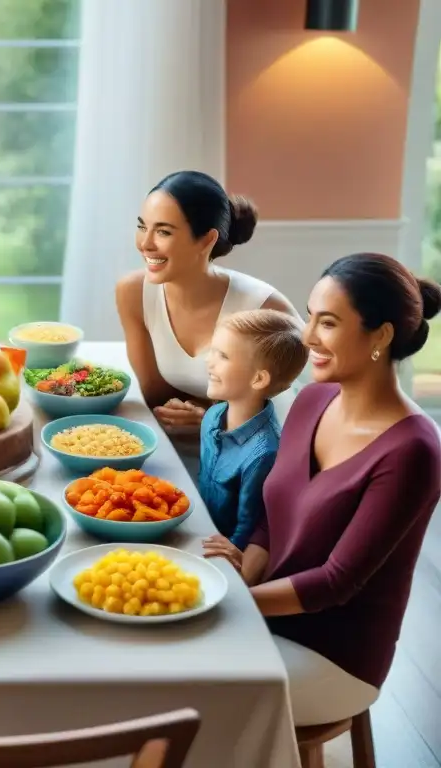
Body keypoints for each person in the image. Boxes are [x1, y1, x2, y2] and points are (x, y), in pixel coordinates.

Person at [203, 253, 441, 726]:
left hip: (335, 656)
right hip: (267, 615)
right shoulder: (313, 400)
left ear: (382, 336)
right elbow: (271, 518)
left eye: (327, 322)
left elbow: (337, 581)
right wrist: (243, 574)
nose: (307, 335)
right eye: (310, 317)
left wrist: (230, 598)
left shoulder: (413, 450)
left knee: (180, 683)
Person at [115, 170, 301, 474]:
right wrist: (213, 415)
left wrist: (212, 419)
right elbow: (157, 397)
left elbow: (274, 413)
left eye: (163, 232)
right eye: (141, 227)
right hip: (182, 451)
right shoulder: (133, 293)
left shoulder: (265, 309)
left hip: (263, 463)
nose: (145, 244)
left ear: (207, 239)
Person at [199, 309, 308, 550]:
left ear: (258, 379)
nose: (209, 361)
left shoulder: (264, 453)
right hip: (196, 528)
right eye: (213, 351)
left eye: (223, 356)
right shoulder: (212, 417)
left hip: (216, 551)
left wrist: (229, 555)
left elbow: (248, 527)